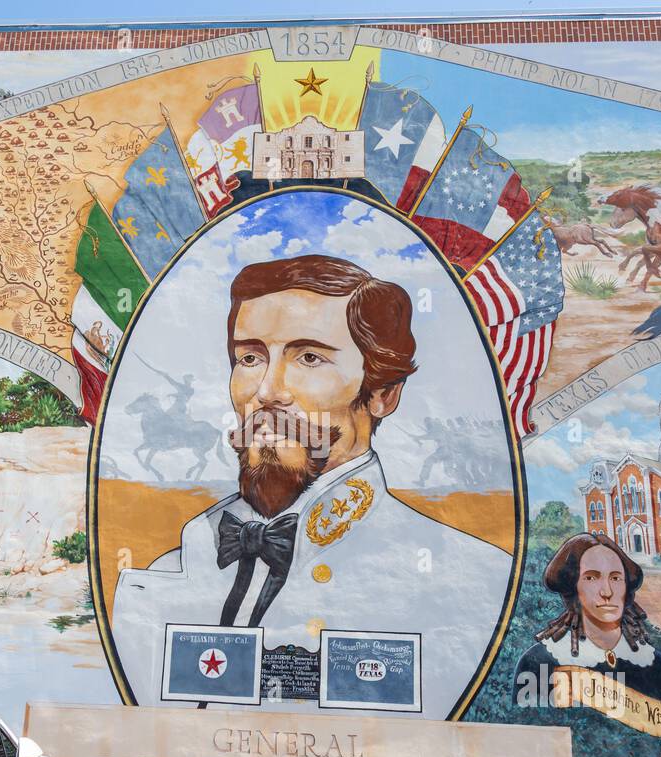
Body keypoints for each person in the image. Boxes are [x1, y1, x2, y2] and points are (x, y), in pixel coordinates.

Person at [110, 254, 513, 718]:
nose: (267, 389)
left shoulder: (473, 580)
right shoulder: (169, 568)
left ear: (383, 394)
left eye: (308, 357)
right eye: (249, 357)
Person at [514, 532, 661, 706]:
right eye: (591, 578)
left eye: (615, 578)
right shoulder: (540, 662)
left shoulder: (658, 667)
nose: (607, 592)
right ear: (573, 587)